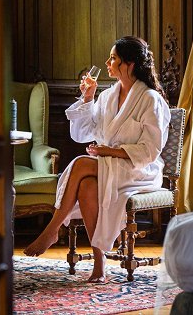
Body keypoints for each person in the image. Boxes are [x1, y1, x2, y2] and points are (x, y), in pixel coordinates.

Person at [23, 36, 170, 283]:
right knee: (86, 185)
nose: (107, 62)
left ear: (130, 63)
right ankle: (99, 266)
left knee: (81, 164)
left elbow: (150, 151)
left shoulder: (150, 100)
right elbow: (82, 134)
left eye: (113, 58)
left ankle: (53, 228)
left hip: (139, 170)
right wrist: (88, 98)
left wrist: (110, 152)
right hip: (107, 165)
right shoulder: (108, 96)